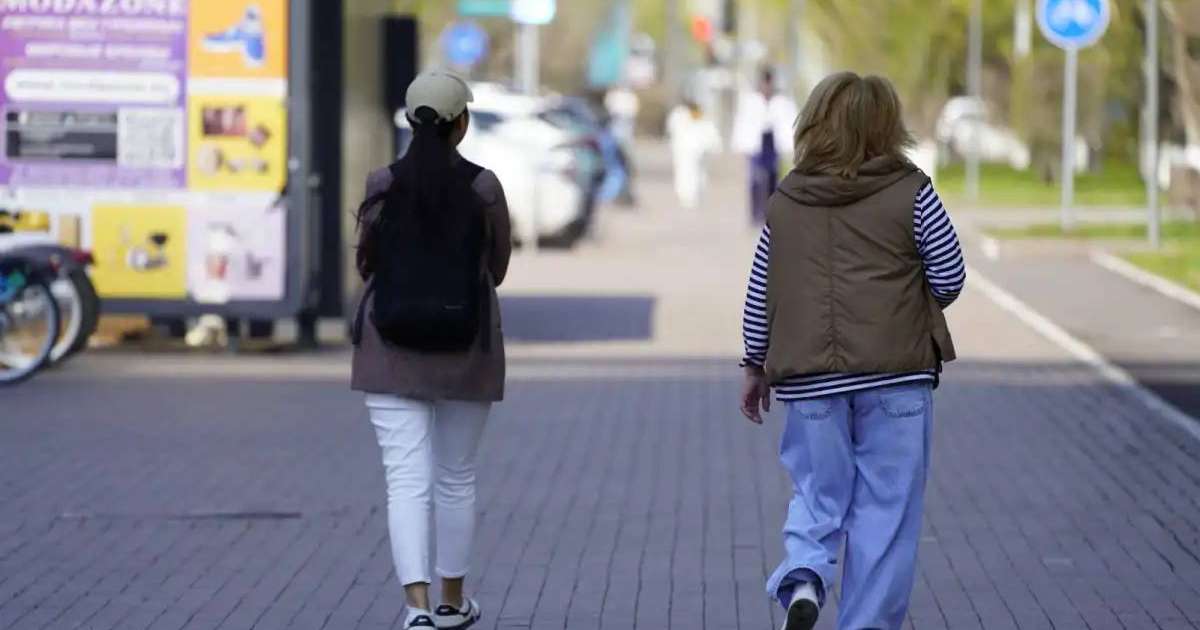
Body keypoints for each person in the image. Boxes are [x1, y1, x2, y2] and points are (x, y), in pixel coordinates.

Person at [739, 72, 966, 630]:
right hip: (897, 379)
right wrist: (906, 305)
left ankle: (805, 578)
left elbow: (762, 291)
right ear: (887, 127)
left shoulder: (787, 200)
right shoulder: (913, 192)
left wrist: (754, 363)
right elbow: (950, 275)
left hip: (810, 382)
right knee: (885, 514)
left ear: (813, 124)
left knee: (817, 493)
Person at [351, 71, 512, 630]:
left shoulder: (381, 183)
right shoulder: (484, 187)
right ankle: (451, 603)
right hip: (466, 351)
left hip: (389, 351)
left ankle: (416, 611)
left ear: (410, 120)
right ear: (461, 124)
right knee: (455, 478)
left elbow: (366, 262)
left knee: (405, 482)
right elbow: (497, 268)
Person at [733, 67, 798, 226]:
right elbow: (742, 123)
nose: (767, 86)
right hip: (756, 144)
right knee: (755, 179)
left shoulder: (781, 100)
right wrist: (740, 144)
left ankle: (770, 214)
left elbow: (789, 122)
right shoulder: (751, 101)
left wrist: (791, 144)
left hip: (772, 143)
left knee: (773, 178)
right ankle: (756, 215)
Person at [666, 98, 722, 210]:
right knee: (684, 174)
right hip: (684, 151)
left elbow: (711, 135)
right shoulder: (679, 116)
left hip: (699, 151)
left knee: (698, 174)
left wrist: (713, 147)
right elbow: (674, 131)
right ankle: (686, 196)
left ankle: (694, 195)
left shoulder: (703, 119)